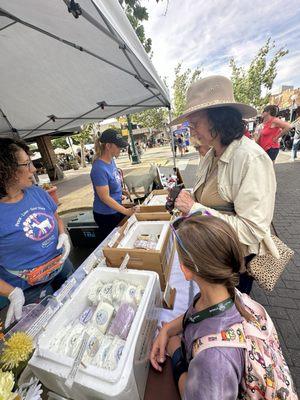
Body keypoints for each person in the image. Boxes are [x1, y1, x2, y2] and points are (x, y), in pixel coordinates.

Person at [150, 214, 296, 400]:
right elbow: (194, 314)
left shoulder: (215, 361)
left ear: (185, 271)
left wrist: (176, 354)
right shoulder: (227, 293)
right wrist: (168, 329)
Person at [171, 76, 278, 294]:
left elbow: (252, 230)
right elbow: (211, 198)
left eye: (195, 123)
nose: (192, 131)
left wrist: (193, 209)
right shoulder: (211, 154)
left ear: (216, 120)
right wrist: (188, 200)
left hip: (235, 265)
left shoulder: (250, 158)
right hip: (215, 257)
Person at [0, 138, 73, 328]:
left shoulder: (36, 192)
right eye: (26, 164)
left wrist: (62, 234)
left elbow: (55, 216)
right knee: (51, 328)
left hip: (61, 267)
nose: (33, 169)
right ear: (5, 170)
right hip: (29, 288)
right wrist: (12, 293)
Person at [91, 129, 137, 241]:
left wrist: (120, 191)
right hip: (106, 215)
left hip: (116, 208)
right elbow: (104, 197)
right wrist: (126, 211)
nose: (121, 149)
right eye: (118, 146)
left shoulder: (111, 161)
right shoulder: (99, 168)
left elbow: (112, 182)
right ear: (108, 146)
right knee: (113, 241)